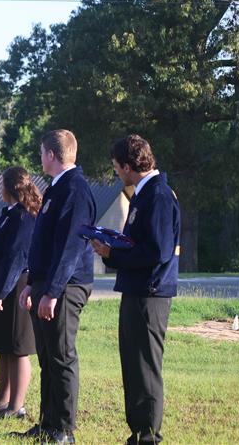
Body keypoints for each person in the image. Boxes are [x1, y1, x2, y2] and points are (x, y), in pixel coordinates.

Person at [91, 135, 180, 445]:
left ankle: (149, 437)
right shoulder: (143, 194)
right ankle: (138, 432)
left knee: (145, 367)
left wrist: (113, 255)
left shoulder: (158, 195)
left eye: (117, 167)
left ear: (128, 166)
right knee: (133, 364)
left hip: (150, 294)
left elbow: (158, 251)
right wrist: (114, 246)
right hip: (137, 289)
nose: (116, 173)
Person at [17, 129, 96, 443]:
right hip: (46, 283)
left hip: (66, 285)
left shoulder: (75, 190)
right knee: (47, 356)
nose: (40, 158)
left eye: (41, 153)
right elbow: (44, 244)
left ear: (51, 154)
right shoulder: (56, 188)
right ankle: (47, 424)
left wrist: (52, 292)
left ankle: (63, 430)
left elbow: (70, 247)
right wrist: (32, 284)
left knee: (61, 356)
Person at [0, 167, 40, 418]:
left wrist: (1, 291)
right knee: (4, 346)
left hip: (15, 285)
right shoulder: (10, 213)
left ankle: (17, 405)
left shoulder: (24, 217)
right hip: (1, 283)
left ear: (8, 187)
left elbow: (16, 256)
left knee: (17, 347)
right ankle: (1, 401)